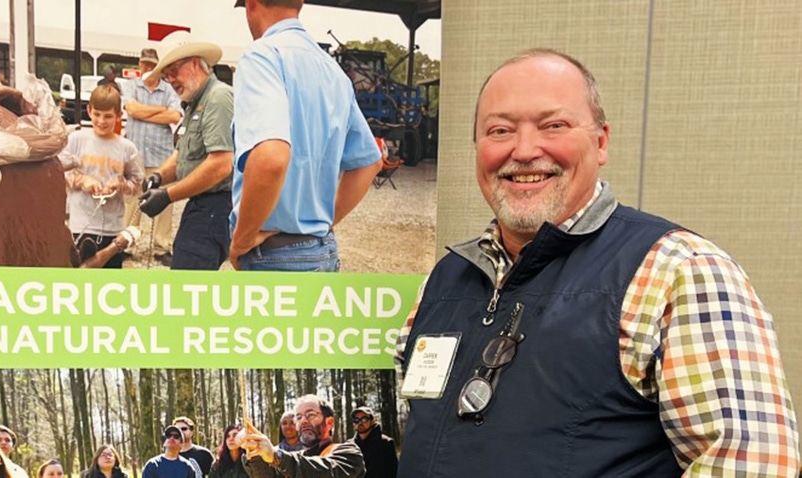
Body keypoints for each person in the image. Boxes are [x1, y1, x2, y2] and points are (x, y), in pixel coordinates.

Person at [394, 48, 801, 477]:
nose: (525, 150)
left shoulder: (678, 272)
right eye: (499, 130)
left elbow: (750, 465)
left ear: (601, 141)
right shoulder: (443, 280)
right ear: (477, 146)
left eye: (554, 125)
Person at [228, 0, 382, 272]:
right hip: (321, 250)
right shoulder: (332, 70)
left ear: (251, 5)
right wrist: (322, 224)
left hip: (274, 255)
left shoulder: (262, 57)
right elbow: (370, 162)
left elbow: (271, 158)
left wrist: (242, 240)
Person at [141, 31, 233, 270]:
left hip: (216, 205)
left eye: (173, 71)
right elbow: (183, 154)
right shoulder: (196, 102)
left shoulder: (218, 97)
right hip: (204, 205)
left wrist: (168, 195)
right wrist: (158, 177)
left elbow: (221, 164)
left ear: (194, 62)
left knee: (187, 282)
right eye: (166, 75)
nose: (170, 79)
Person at [58, 85, 144, 268]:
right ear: (89, 110)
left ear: (119, 115)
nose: (101, 121)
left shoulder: (127, 148)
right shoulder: (76, 140)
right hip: (80, 226)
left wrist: (121, 184)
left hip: (113, 229)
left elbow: (137, 185)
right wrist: (82, 180)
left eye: (108, 116)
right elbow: (59, 173)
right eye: (97, 114)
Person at [122, 47, 182, 266]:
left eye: (151, 64)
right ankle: (127, 243)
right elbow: (131, 109)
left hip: (161, 156)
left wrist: (142, 111)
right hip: (135, 155)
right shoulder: (131, 86)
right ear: (139, 65)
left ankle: (162, 246)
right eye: (144, 64)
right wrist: (159, 111)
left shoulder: (169, 89)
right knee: (131, 201)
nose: (147, 68)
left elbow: (175, 115)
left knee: (164, 202)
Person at [239, 394, 365, 478]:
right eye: (298, 417)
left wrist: (276, 455)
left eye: (310, 415)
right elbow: (266, 475)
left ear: (329, 422)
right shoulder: (295, 458)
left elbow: (326, 471)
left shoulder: (349, 452)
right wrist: (255, 450)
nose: (303, 421)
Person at [350, 407, 396, 478]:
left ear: (372, 421)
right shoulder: (350, 446)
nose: (360, 422)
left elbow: (393, 472)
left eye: (364, 419)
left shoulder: (385, 443)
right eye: (356, 420)